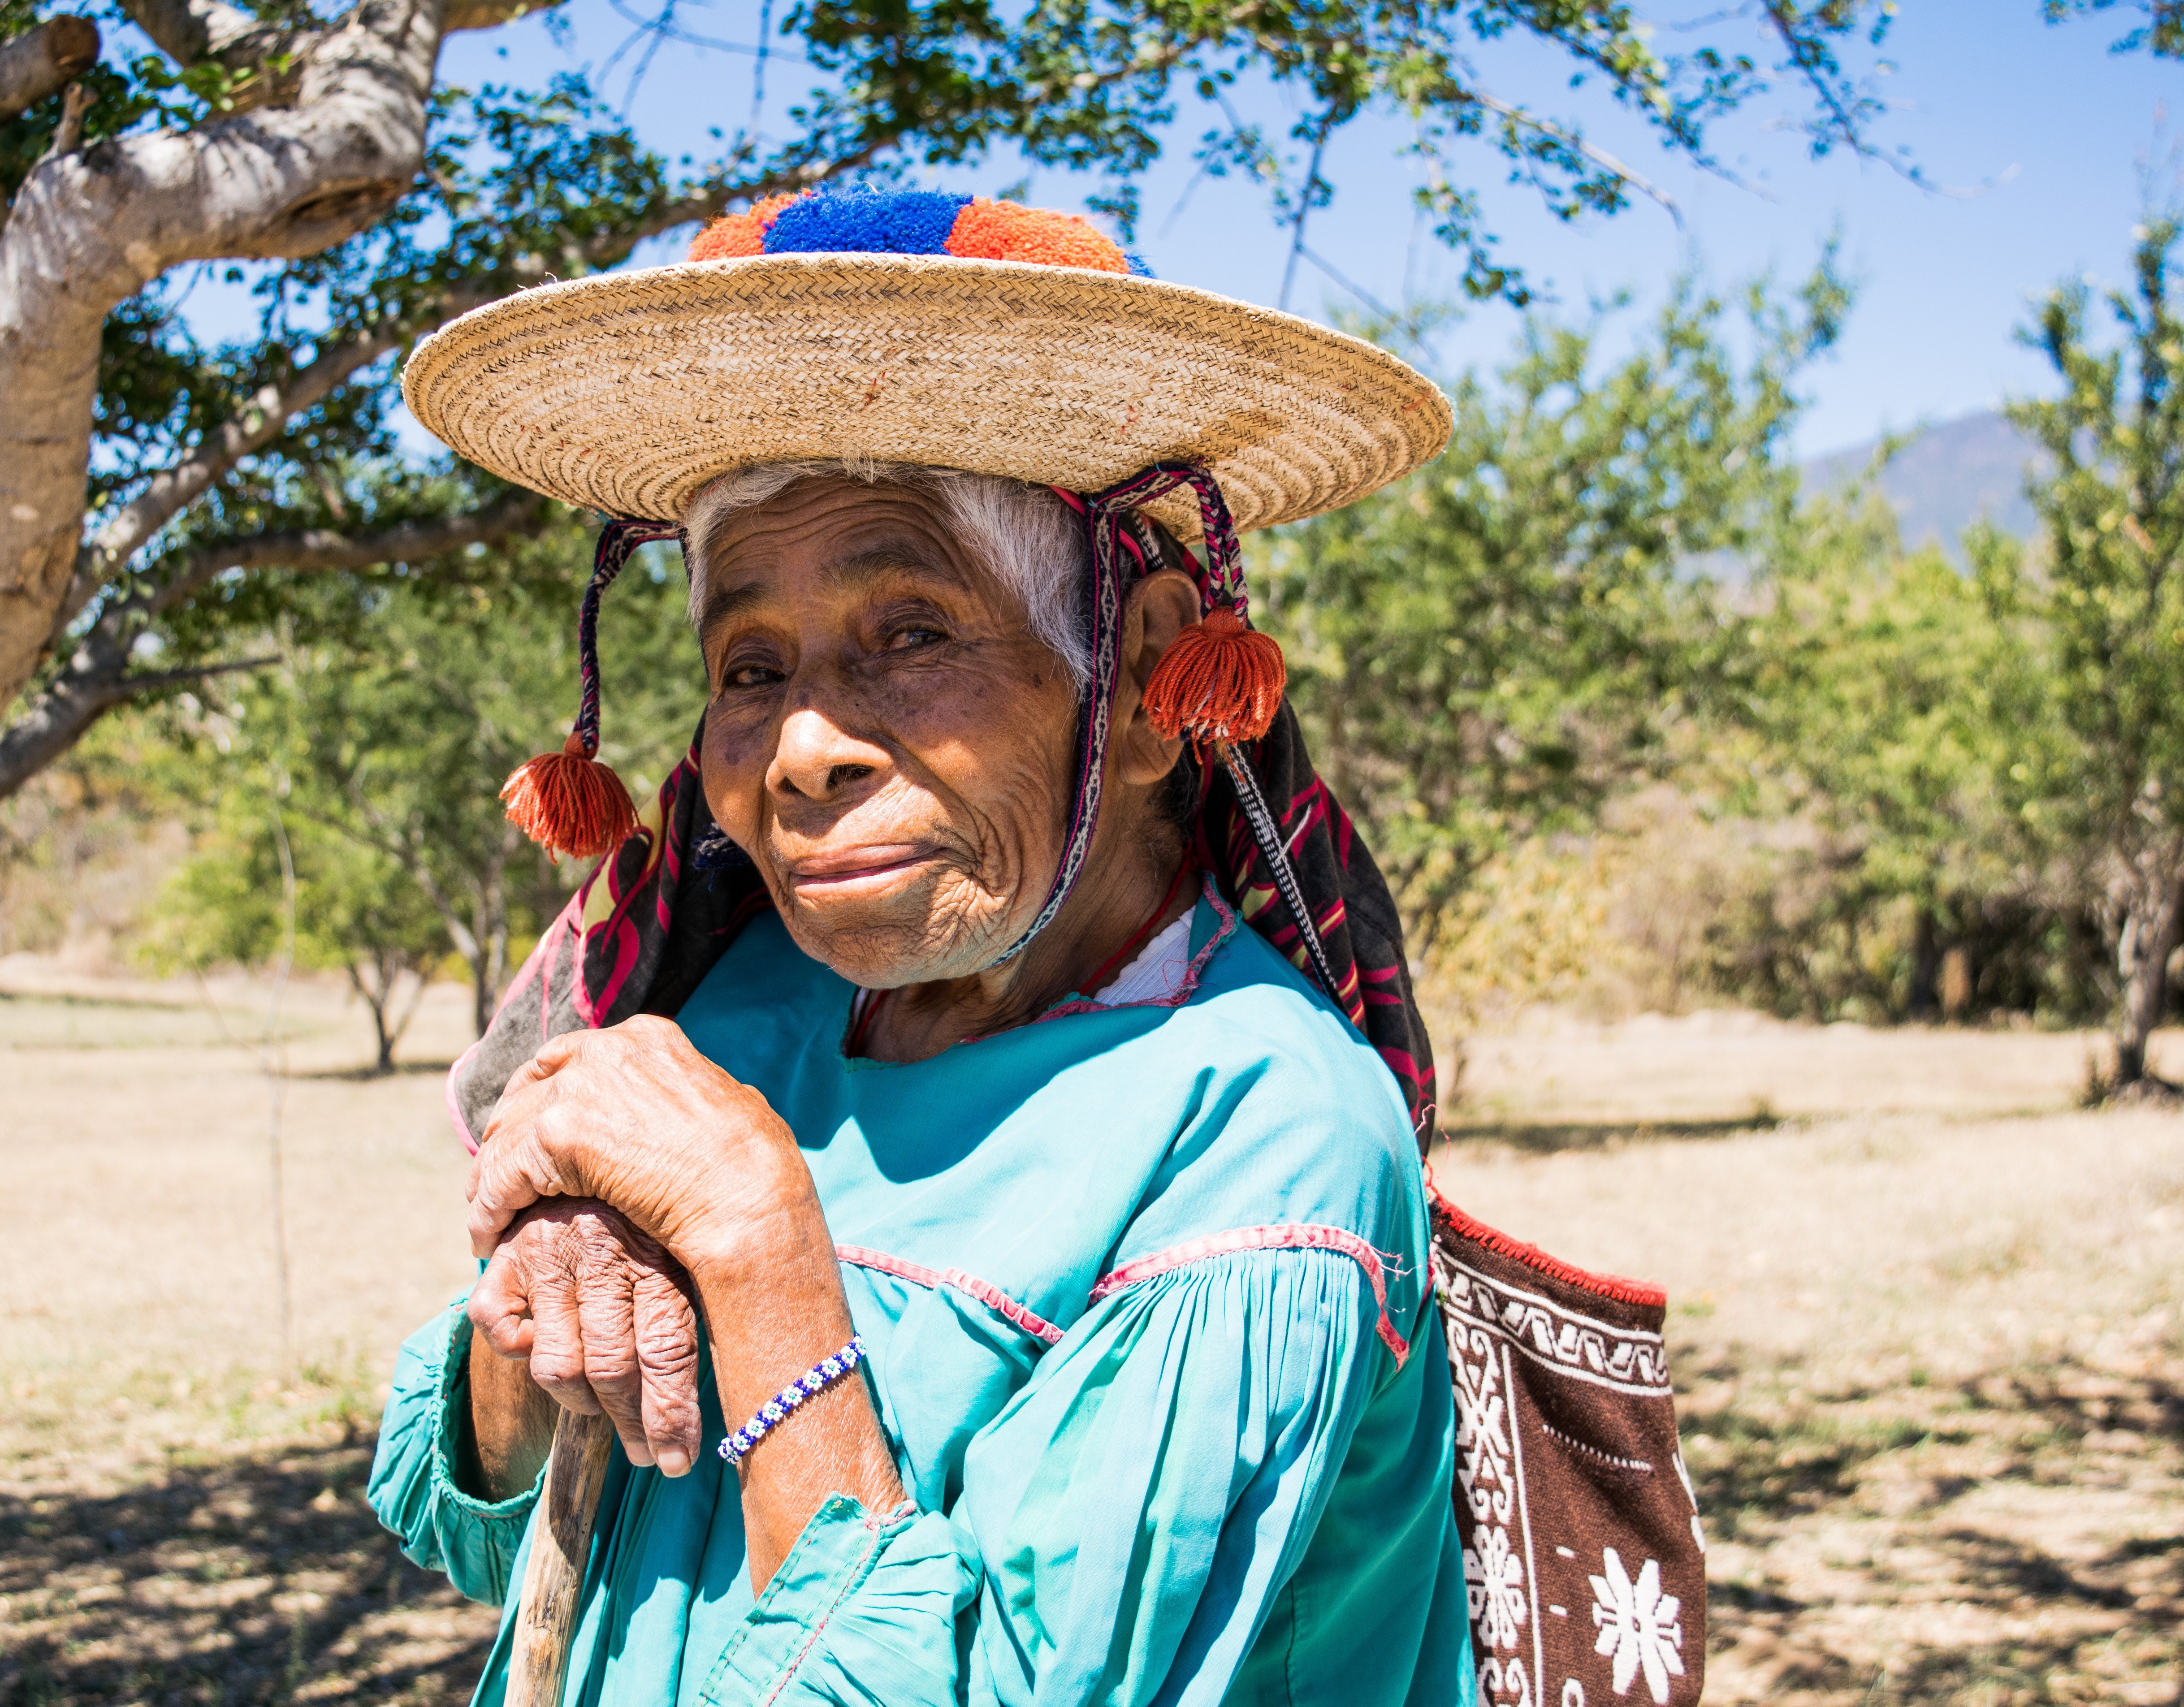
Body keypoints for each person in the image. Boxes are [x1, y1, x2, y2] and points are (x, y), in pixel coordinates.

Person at [368, 187, 1472, 1705]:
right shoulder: (743, 1001)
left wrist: (752, 1248)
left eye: (910, 633)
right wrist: (550, 1282)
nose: (804, 744)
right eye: (751, 665)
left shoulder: (1266, 1141)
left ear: (1148, 678)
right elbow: (476, 1519)